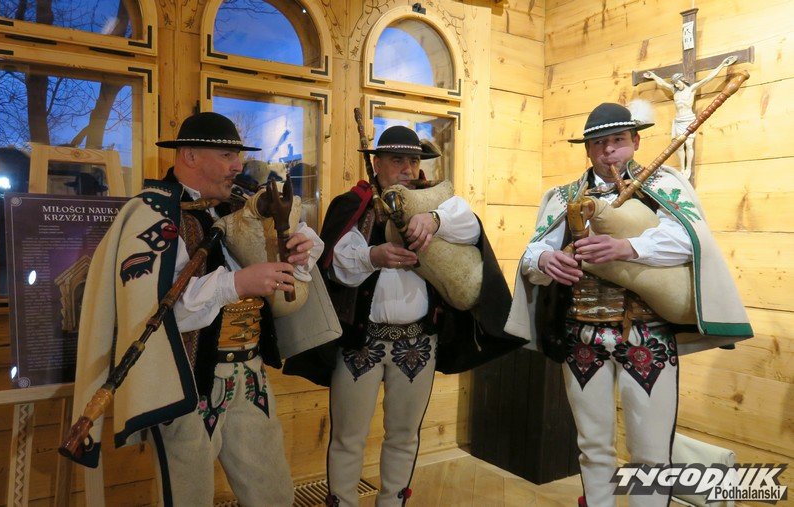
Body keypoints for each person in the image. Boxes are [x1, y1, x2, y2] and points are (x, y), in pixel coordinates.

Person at [69, 112, 323, 506]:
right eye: (226, 155)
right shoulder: (151, 214)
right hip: (186, 382)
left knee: (274, 495)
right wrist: (238, 283)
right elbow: (156, 312)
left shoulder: (242, 206)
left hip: (250, 376)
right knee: (189, 498)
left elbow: (300, 252)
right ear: (189, 155)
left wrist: (301, 250)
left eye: (237, 156)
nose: (238, 165)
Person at [505, 103, 752, 507]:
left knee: (651, 453)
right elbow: (533, 252)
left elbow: (690, 240)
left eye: (617, 140)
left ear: (636, 141)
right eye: (598, 143)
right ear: (587, 149)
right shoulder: (564, 196)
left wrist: (629, 247)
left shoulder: (664, 185)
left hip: (646, 333)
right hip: (581, 334)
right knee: (592, 446)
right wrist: (545, 259)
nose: (608, 151)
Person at [285, 125, 521, 506]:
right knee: (348, 437)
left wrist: (435, 220)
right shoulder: (355, 204)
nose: (408, 168)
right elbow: (336, 263)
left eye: (413, 160)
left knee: (405, 435)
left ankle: (392, 503)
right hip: (362, 343)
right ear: (377, 164)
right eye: (397, 160)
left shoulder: (438, 202)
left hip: (418, 343)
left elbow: (471, 226)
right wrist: (372, 256)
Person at [642, 55, 737, 181]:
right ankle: (682, 168)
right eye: (675, 84)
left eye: (677, 83)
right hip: (678, 120)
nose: (676, 85)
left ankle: (688, 168)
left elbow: (708, 78)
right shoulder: (675, 91)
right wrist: (654, 76)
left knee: (689, 144)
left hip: (688, 119)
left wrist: (721, 65)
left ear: (682, 80)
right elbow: (662, 83)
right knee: (679, 146)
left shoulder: (691, 89)